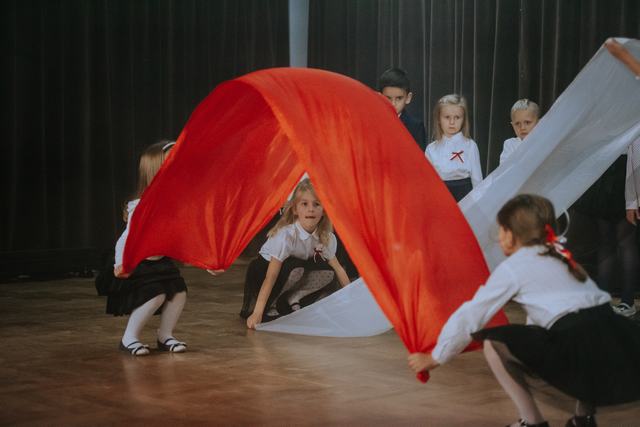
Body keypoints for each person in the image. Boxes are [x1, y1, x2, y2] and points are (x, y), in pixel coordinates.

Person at [408, 194, 640, 427]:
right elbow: (549, 314)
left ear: (511, 234)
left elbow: (471, 314)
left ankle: (532, 422)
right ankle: (583, 419)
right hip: (613, 336)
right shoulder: (559, 256)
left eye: (501, 231)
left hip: (577, 340)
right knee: (583, 338)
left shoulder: (514, 267)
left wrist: (436, 357)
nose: (499, 238)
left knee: (494, 343)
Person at [96, 141, 212, 356]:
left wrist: (209, 262)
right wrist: (121, 262)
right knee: (155, 296)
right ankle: (129, 337)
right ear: (156, 172)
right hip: (139, 262)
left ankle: (165, 335)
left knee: (179, 293)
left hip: (160, 262)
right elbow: (126, 237)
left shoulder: (177, 204)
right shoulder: (141, 206)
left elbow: (190, 237)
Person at [240, 178, 350, 329]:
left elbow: (338, 269)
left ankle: (294, 297)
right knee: (296, 268)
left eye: (316, 204)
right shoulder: (286, 236)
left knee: (328, 272)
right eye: (304, 204)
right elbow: (271, 276)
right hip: (266, 271)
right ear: (295, 210)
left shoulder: (326, 237)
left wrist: (351, 300)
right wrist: (257, 312)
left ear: (324, 210)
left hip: (295, 270)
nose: (311, 209)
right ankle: (273, 303)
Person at [573, 139, 640, 317]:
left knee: (625, 242)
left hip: (625, 175)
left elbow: (636, 155)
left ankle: (627, 301)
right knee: (606, 242)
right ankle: (603, 301)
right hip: (607, 171)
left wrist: (632, 200)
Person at [425, 94, 482, 201]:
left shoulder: (470, 146)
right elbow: (428, 181)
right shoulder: (431, 149)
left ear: (463, 119)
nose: (452, 122)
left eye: (457, 117)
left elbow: (477, 179)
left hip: (465, 194)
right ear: (439, 119)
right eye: (447, 117)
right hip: (441, 195)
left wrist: (478, 201)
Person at [378, 67, 427, 151]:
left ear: (408, 98)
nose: (393, 104)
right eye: (388, 98)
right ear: (379, 97)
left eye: (399, 98)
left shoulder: (416, 127)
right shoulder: (372, 123)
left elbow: (418, 156)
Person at [499, 99, 541, 164]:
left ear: (538, 123)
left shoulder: (544, 141)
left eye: (527, 122)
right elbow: (505, 167)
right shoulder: (510, 144)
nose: (522, 128)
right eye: (517, 124)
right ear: (513, 126)